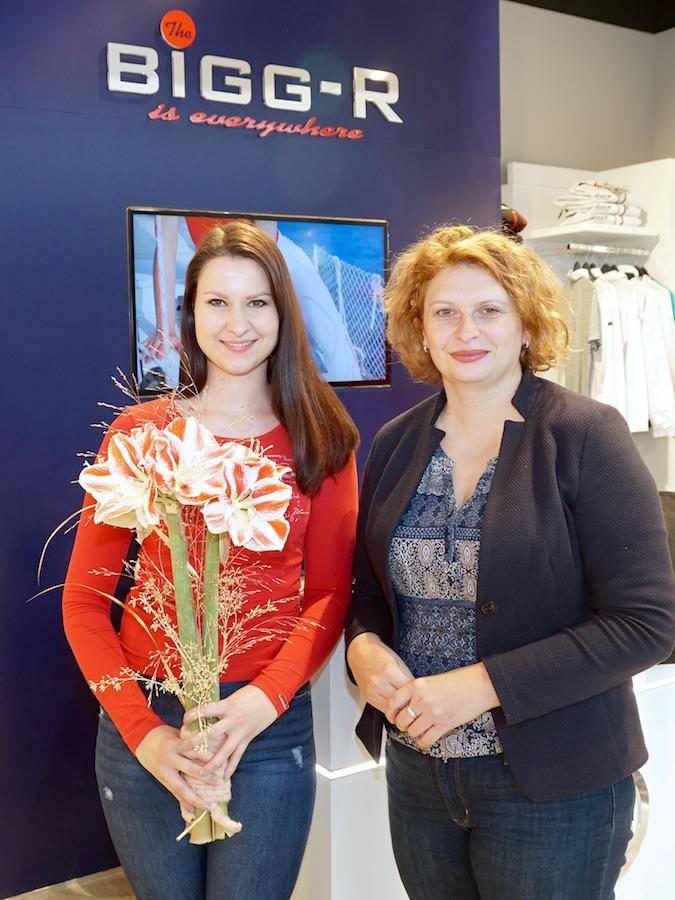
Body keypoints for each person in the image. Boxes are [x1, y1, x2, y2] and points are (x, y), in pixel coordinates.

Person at [345, 225, 675, 900]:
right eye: (444, 311)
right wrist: (364, 648)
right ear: (420, 328)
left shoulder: (585, 434)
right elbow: (367, 591)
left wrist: (481, 686)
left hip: (554, 784)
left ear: (525, 324)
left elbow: (646, 623)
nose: (466, 330)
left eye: (489, 310)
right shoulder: (395, 442)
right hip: (419, 777)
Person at [63, 221, 359, 900]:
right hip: (144, 721)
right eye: (217, 302)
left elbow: (329, 594)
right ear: (190, 312)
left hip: (264, 729)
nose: (237, 324)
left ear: (283, 313)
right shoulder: (141, 434)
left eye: (257, 303)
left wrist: (264, 699)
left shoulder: (320, 439)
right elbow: (83, 602)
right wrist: (143, 733)